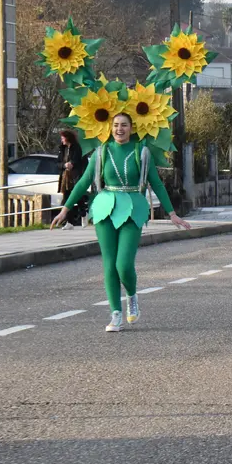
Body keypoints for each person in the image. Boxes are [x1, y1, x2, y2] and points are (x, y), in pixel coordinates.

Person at [50, 113, 190, 332]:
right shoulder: (101, 152)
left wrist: (172, 213)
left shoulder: (141, 153)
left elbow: (157, 184)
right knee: (109, 264)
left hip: (133, 207)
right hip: (105, 207)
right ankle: (115, 314)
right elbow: (83, 182)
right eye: (116, 125)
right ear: (110, 128)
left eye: (124, 125)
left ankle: (132, 296)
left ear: (131, 128)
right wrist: (65, 209)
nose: (119, 129)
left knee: (123, 265)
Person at [57, 130, 88, 229]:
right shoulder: (62, 149)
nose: (61, 140)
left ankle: (83, 213)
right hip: (65, 177)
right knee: (67, 198)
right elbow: (58, 163)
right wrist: (64, 165)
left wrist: (72, 164)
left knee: (77, 196)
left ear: (68, 138)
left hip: (75, 176)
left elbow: (79, 161)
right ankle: (69, 222)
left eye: (63, 138)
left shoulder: (77, 148)